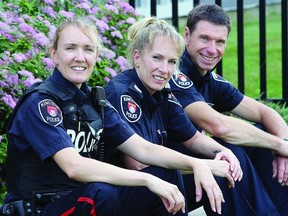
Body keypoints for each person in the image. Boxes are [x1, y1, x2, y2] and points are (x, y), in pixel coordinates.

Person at [1, 16, 233, 216]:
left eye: (88, 49)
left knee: (166, 174)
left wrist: (197, 164)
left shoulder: (95, 101)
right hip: (40, 208)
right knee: (102, 192)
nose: (80, 57)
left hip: (79, 200)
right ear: (54, 54)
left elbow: (143, 149)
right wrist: (147, 180)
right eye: (70, 48)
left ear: (96, 56)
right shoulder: (40, 102)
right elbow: (74, 167)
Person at [103, 16, 244, 216]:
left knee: (224, 168)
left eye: (172, 62)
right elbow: (139, 165)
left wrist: (223, 152)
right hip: (119, 195)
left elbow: (193, 138)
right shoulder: (120, 93)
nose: (164, 69)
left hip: (150, 187)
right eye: (157, 58)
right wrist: (204, 166)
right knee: (169, 173)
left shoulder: (162, 92)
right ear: (137, 58)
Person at [169, 3, 288, 215]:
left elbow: (265, 112)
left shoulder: (208, 79)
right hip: (166, 174)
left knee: (261, 135)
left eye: (220, 41)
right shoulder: (172, 73)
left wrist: (282, 147)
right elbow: (220, 126)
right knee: (228, 154)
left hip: (195, 168)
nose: (212, 49)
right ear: (186, 35)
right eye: (204, 38)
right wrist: (279, 145)